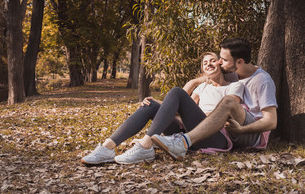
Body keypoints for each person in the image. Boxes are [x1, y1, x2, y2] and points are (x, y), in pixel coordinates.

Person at [81, 52, 244, 165]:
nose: (209, 64)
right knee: (151, 104)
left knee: (176, 92)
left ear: (221, 63)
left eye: (213, 61)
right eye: (205, 63)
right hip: (189, 137)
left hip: (215, 138)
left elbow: (228, 115)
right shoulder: (201, 89)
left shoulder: (234, 86)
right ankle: (107, 148)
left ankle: (145, 145)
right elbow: (182, 110)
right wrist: (157, 104)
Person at [151, 38, 278, 160]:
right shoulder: (233, 73)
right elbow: (208, 77)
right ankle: (155, 142)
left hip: (250, 134)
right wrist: (194, 82)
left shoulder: (263, 81)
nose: (219, 62)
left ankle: (183, 142)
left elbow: (271, 122)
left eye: (223, 59)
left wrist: (242, 129)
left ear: (239, 62)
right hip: (230, 130)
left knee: (228, 101)